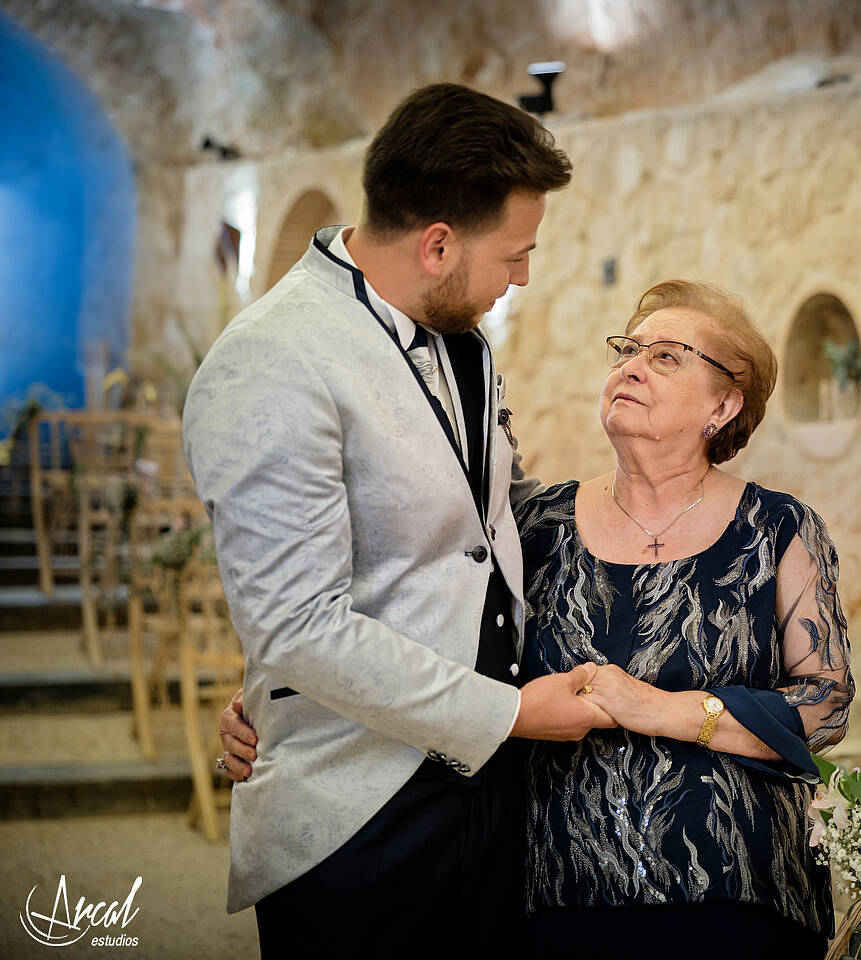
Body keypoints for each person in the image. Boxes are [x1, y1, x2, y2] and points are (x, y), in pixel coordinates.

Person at [224, 279, 855, 959]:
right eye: (627, 349)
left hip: (740, 881)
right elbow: (407, 626)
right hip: (557, 884)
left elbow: (827, 703)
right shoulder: (534, 524)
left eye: (668, 357)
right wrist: (278, 703)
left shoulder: (779, 528)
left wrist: (662, 710)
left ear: (724, 404)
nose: (631, 367)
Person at [185, 82, 610, 958]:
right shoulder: (272, 360)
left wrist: (645, 503)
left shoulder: (463, 337)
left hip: (487, 792)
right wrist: (512, 715)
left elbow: (485, 516)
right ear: (438, 243)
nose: (524, 277)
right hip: (360, 807)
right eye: (516, 254)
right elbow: (294, 623)